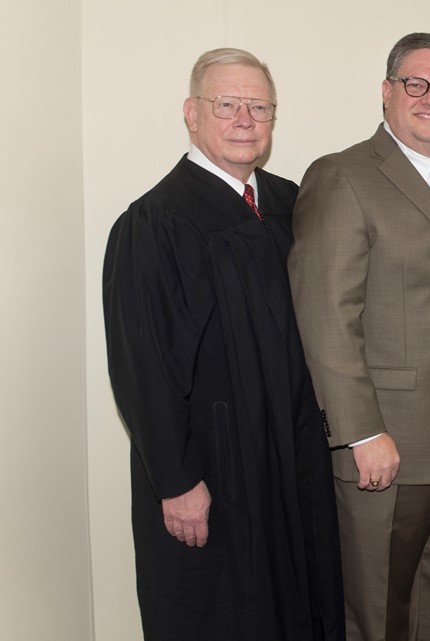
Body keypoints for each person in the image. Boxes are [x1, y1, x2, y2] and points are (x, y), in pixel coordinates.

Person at [102, 48, 343, 641]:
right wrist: (178, 482)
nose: (244, 119)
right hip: (217, 466)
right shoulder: (154, 222)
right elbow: (144, 369)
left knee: (302, 596)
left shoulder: (292, 203)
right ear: (191, 113)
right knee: (226, 610)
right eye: (227, 104)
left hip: (295, 456)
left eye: (259, 106)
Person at [287, 33, 430, 641]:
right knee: (378, 609)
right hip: (387, 444)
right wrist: (360, 430)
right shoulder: (342, 176)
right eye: (416, 83)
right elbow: (326, 316)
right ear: (387, 92)